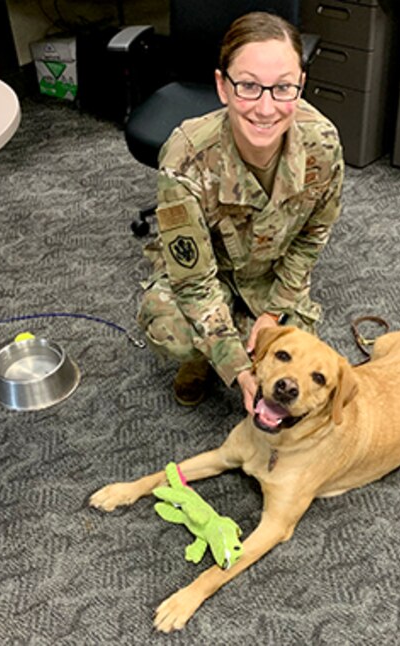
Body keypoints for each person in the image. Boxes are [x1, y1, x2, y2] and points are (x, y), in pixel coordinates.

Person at [137, 11, 345, 412]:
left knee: (297, 353)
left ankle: (244, 330)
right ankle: (198, 364)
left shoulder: (323, 145)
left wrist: (274, 310)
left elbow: (312, 236)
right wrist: (236, 367)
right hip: (202, 276)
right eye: (248, 86)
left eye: (283, 87)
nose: (266, 109)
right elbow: (194, 283)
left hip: (269, 274)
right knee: (175, 330)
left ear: (300, 87)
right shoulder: (186, 157)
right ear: (222, 87)